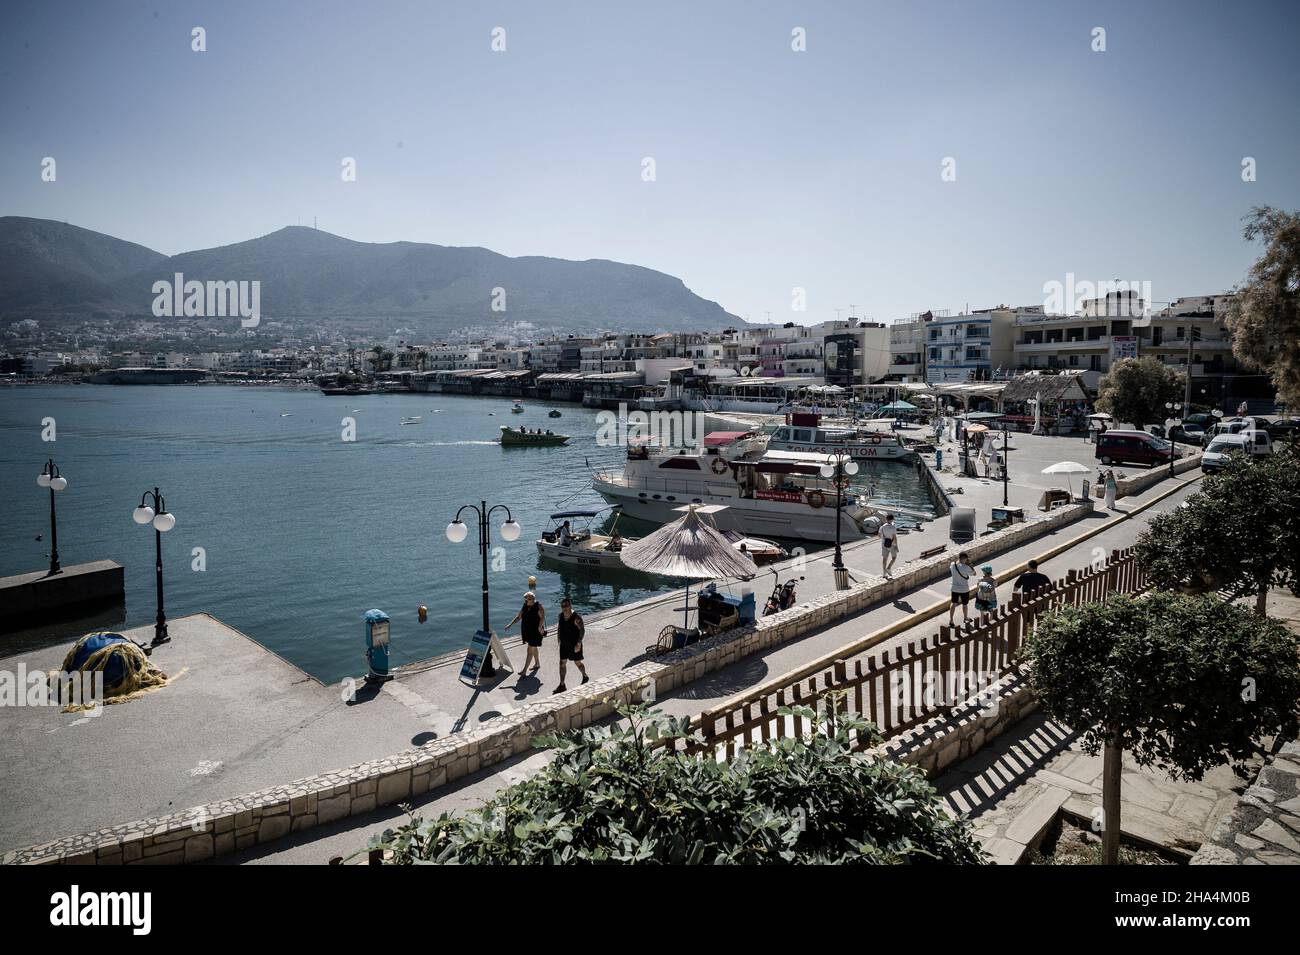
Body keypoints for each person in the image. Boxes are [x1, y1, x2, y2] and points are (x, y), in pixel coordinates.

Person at [505, 591, 546, 676]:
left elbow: (542, 617)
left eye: (528, 599)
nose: (526, 601)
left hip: (536, 632)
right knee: (533, 648)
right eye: (525, 599)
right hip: (527, 632)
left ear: (533, 599)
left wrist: (539, 627)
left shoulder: (538, 607)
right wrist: (510, 624)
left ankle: (524, 670)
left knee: (530, 650)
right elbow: (518, 617)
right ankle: (537, 664)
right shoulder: (525, 606)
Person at [554, 598, 589, 693]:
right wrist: (558, 638)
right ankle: (562, 684)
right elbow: (560, 627)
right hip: (564, 645)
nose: (564, 608)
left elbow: (582, 630)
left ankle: (585, 676)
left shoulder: (576, 617)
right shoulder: (560, 616)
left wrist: (579, 643)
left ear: (570, 606)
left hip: (574, 645)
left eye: (566, 606)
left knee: (578, 663)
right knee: (562, 663)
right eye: (562, 606)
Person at [948, 551, 975, 626]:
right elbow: (974, 573)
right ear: (965, 558)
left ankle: (951, 620)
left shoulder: (953, 564)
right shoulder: (966, 567)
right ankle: (965, 618)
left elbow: (953, 567)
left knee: (953, 603)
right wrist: (970, 565)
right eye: (966, 559)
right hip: (964, 589)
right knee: (964, 604)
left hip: (954, 588)